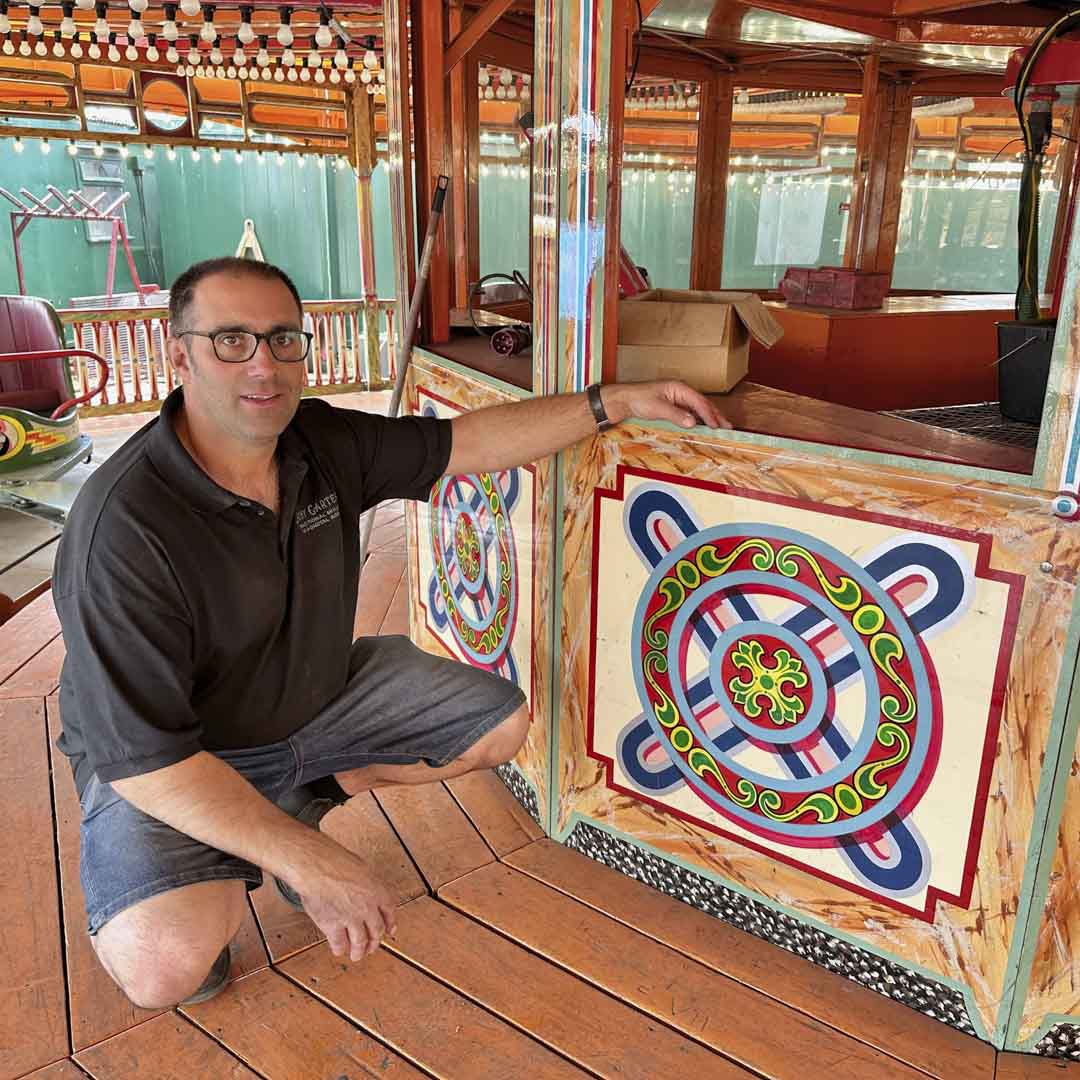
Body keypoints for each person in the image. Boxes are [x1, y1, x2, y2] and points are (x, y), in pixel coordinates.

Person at [53, 256, 729, 1010]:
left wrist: (610, 402)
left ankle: (299, 799)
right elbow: (149, 759)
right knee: (163, 968)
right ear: (180, 355)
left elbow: (468, 443)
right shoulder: (125, 525)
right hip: (177, 755)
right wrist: (314, 865)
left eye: (283, 340)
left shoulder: (317, 441)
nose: (265, 366)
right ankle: (261, 834)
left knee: (498, 725)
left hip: (311, 698)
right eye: (231, 341)